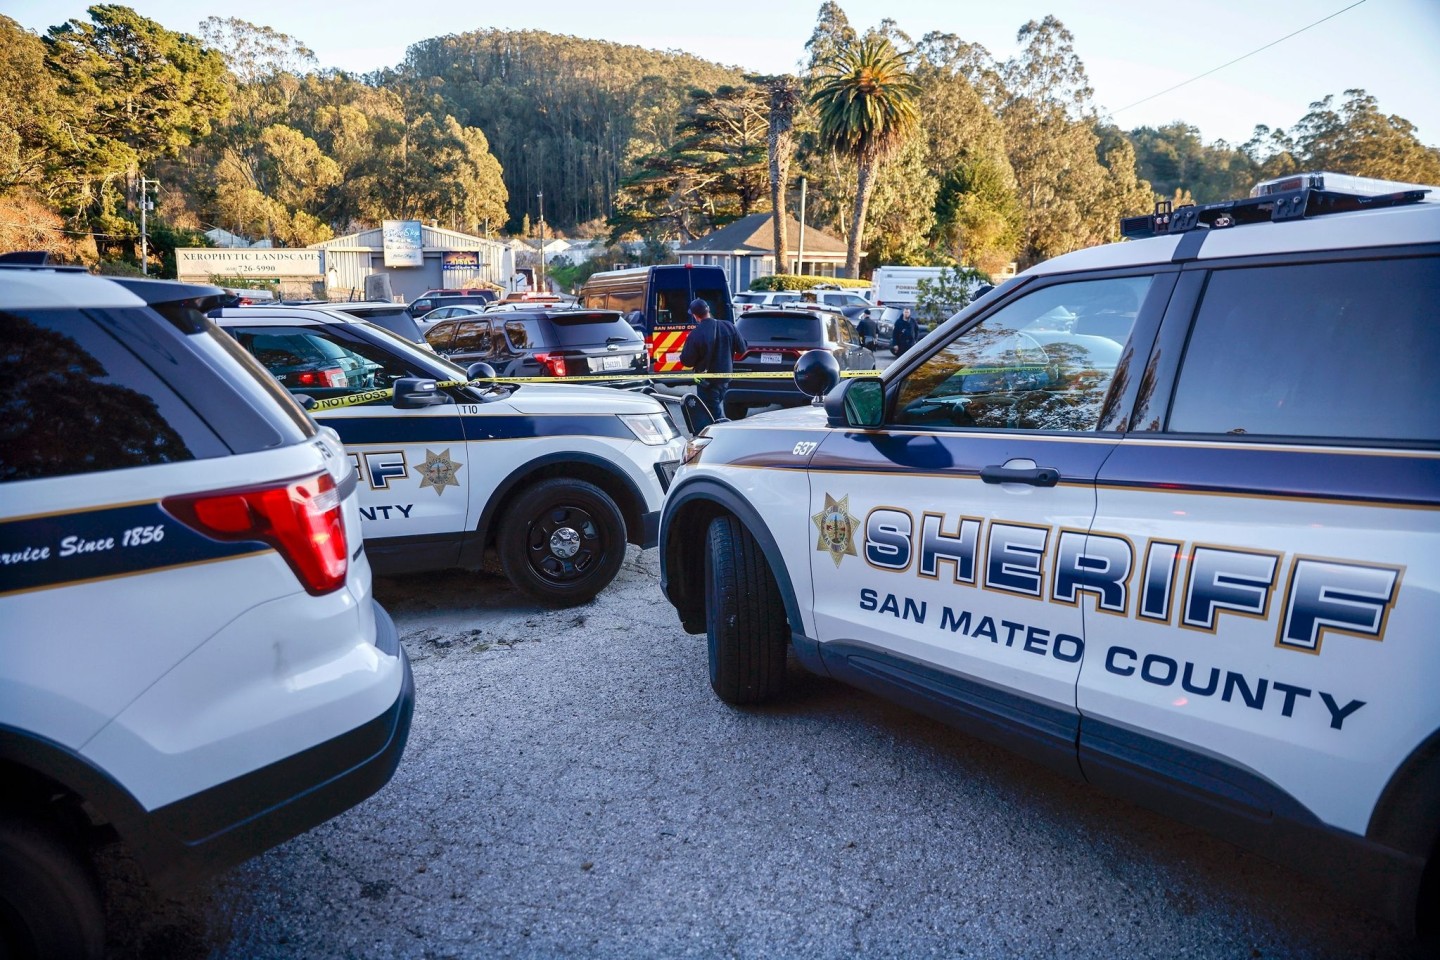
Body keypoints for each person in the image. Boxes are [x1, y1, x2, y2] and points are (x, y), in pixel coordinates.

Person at [679, 297, 746, 419]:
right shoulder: (729, 326)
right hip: (725, 379)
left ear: (695, 316)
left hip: (706, 383)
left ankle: (720, 434)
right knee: (714, 410)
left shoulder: (695, 334)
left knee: (712, 415)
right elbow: (742, 349)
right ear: (708, 310)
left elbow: (686, 361)